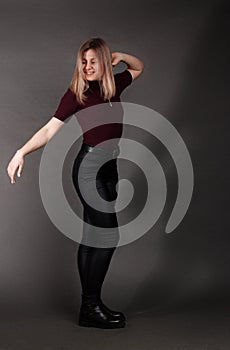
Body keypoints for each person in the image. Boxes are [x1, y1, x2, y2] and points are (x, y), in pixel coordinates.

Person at [6, 37, 144, 329]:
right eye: (84, 61)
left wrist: (120, 55)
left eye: (94, 61)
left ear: (104, 62)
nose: (87, 66)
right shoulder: (77, 93)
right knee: (108, 237)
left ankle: (89, 307)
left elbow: (139, 67)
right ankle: (91, 306)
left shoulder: (114, 85)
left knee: (92, 236)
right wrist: (21, 152)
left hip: (109, 167)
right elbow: (48, 129)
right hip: (90, 168)